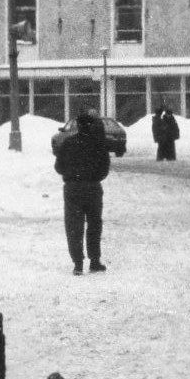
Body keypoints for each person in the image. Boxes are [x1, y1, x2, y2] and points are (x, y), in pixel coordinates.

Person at [52, 111, 112, 273]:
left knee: (73, 225)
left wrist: (71, 175)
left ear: (78, 126)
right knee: (94, 224)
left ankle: (78, 263)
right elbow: (105, 168)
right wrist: (93, 177)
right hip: (93, 188)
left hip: (72, 189)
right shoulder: (98, 145)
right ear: (91, 126)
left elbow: (58, 167)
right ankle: (94, 261)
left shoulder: (68, 143)